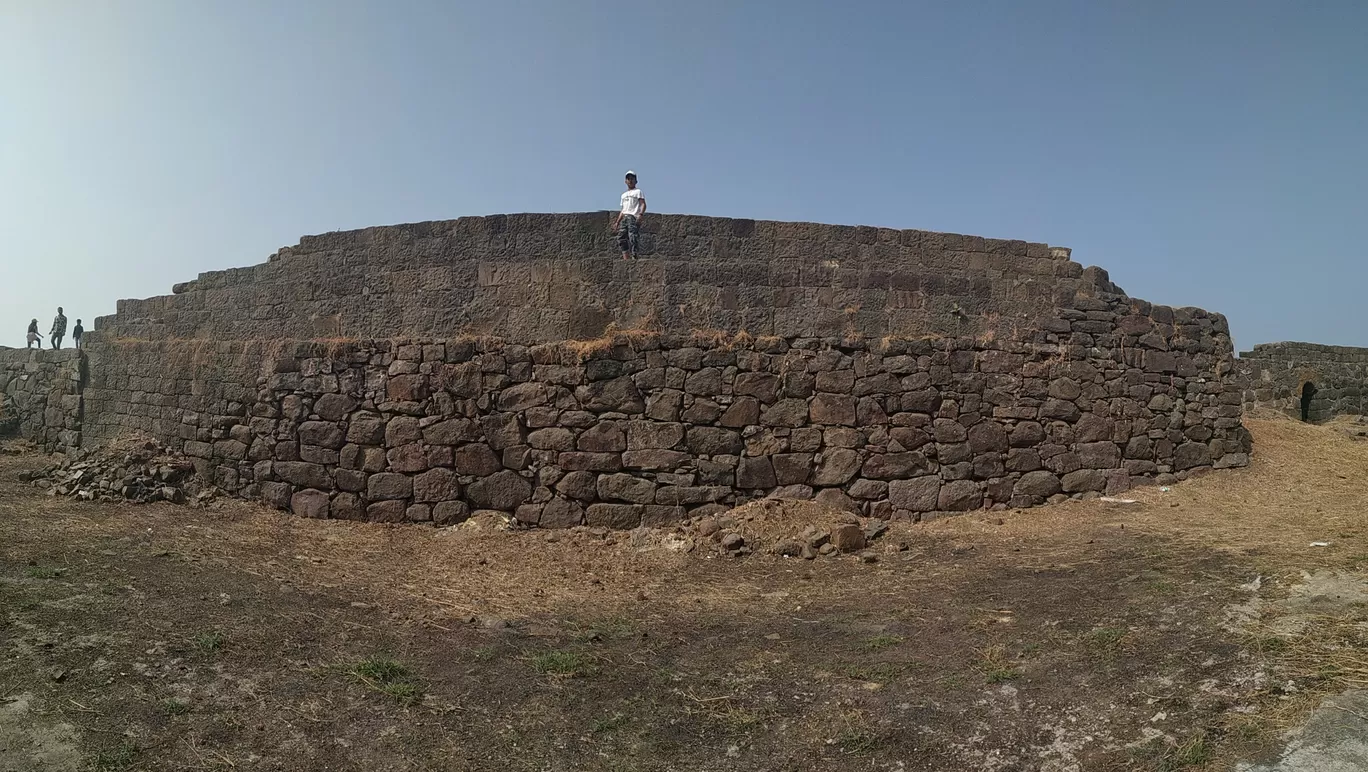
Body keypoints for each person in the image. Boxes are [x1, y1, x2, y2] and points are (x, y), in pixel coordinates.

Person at [613, 170, 646, 260]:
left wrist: (640, 215)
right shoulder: (623, 195)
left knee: (633, 237)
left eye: (632, 179)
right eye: (628, 179)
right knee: (621, 238)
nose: (630, 181)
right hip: (625, 217)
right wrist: (617, 222)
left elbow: (643, 204)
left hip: (633, 217)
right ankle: (626, 258)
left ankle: (634, 256)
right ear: (625, 181)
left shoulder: (638, 191)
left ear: (636, 181)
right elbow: (623, 210)